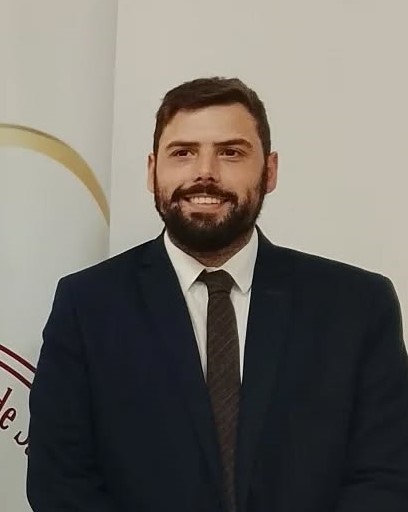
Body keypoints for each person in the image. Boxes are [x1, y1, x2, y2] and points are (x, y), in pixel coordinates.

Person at [27, 77, 408, 512]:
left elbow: (388, 476)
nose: (204, 172)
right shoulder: (87, 305)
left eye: (231, 152)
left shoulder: (357, 307)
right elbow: (60, 483)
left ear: (270, 171)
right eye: (183, 152)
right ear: (152, 170)